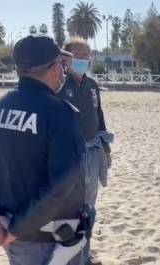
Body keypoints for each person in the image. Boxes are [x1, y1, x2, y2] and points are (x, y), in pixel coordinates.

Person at [0, 35, 86, 264]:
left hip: (13, 238)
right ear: (52, 69)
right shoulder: (59, 114)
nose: (63, 70)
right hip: (50, 242)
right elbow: (61, 184)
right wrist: (15, 229)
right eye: (61, 64)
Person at [57, 37, 114, 265]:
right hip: (69, 157)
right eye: (79, 56)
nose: (84, 60)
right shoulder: (58, 86)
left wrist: (106, 150)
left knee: (89, 208)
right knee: (69, 209)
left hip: (93, 152)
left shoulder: (92, 85)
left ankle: (85, 252)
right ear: (65, 59)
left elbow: (99, 116)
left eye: (87, 56)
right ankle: (69, 255)